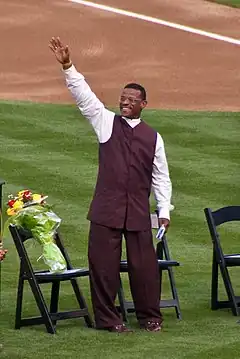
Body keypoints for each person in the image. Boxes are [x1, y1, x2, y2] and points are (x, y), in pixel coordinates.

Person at [49, 37, 173, 333]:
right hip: (106, 210)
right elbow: (85, 97)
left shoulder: (154, 137)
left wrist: (164, 209)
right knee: (103, 268)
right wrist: (68, 66)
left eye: (132, 99)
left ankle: (150, 317)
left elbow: (161, 176)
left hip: (139, 213)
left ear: (144, 104)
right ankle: (108, 319)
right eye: (123, 98)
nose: (125, 102)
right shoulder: (104, 121)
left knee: (145, 269)